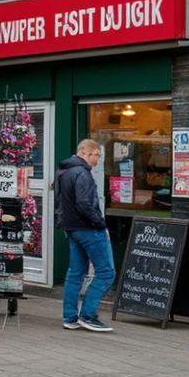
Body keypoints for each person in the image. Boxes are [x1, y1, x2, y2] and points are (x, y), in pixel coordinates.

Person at [56, 139, 115, 333]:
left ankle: (69, 318)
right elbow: (84, 204)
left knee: (75, 274)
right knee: (106, 273)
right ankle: (88, 316)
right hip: (89, 230)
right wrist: (100, 223)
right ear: (85, 152)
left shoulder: (63, 171)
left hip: (72, 229)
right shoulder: (82, 173)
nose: (98, 160)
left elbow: (61, 203)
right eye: (96, 155)